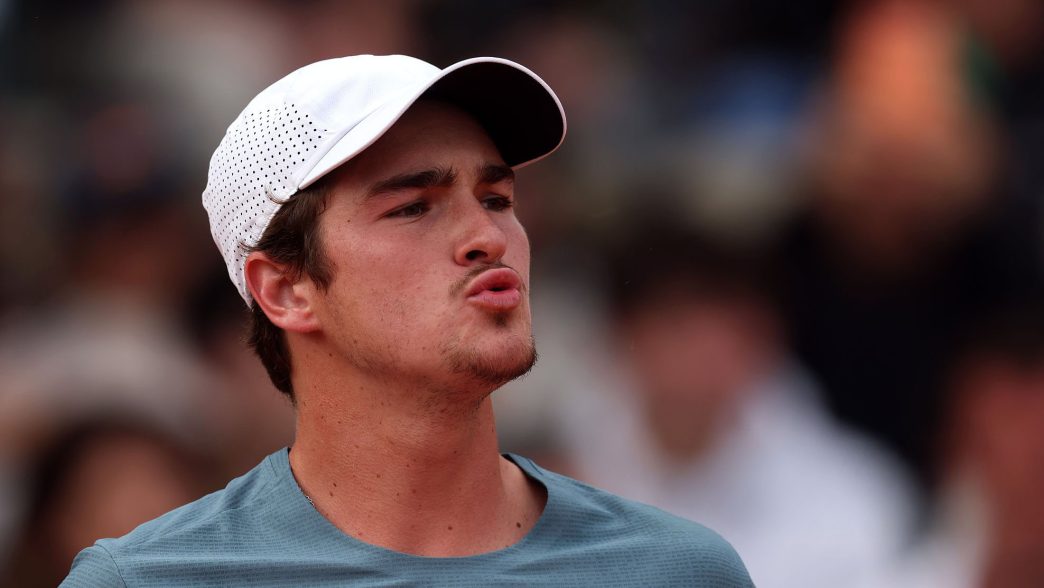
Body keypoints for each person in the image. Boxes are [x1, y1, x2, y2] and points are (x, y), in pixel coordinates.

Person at [60, 54, 753, 586]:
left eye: (496, 196)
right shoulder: (148, 581)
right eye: (413, 207)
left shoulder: (678, 572)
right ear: (285, 290)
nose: (486, 234)